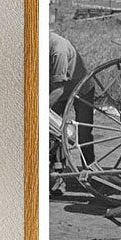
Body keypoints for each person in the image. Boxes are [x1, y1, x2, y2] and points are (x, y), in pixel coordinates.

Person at [49, 31, 94, 190]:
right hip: (59, 88)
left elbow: (58, 90)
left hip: (81, 88)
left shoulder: (58, 49)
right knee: (56, 133)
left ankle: (90, 172)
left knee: (84, 133)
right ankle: (59, 179)